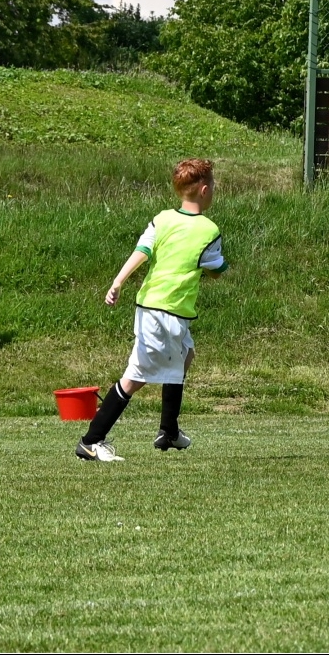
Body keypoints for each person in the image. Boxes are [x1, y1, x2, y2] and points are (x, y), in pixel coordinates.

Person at [76, 159, 228, 461]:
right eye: (213, 186)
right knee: (135, 377)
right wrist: (213, 267)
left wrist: (118, 281)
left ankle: (169, 431)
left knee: (185, 355)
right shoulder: (209, 230)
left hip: (153, 306)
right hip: (166, 312)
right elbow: (216, 270)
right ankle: (91, 441)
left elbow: (142, 251)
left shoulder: (162, 219)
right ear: (204, 190)